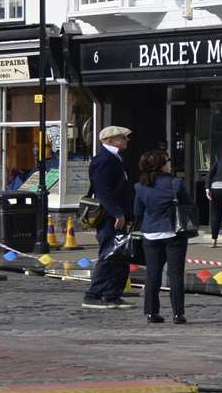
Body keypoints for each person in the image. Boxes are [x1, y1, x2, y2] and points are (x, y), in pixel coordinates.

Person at [133, 149, 194, 325]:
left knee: (152, 274)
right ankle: (178, 314)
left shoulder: (140, 186)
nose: (170, 163)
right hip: (173, 232)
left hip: (150, 232)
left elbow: (137, 211)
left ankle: (151, 312)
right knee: (175, 274)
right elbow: (187, 205)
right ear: (161, 164)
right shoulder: (176, 183)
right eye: (167, 160)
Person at [83, 125, 135, 309]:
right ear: (110, 140)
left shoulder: (116, 158)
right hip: (109, 216)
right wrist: (117, 213)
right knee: (108, 254)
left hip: (120, 214)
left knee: (120, 255)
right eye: (123, 137)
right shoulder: (104, 159)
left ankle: (112, 294)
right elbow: (102, 190)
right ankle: (93, 295)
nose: (127, 140)